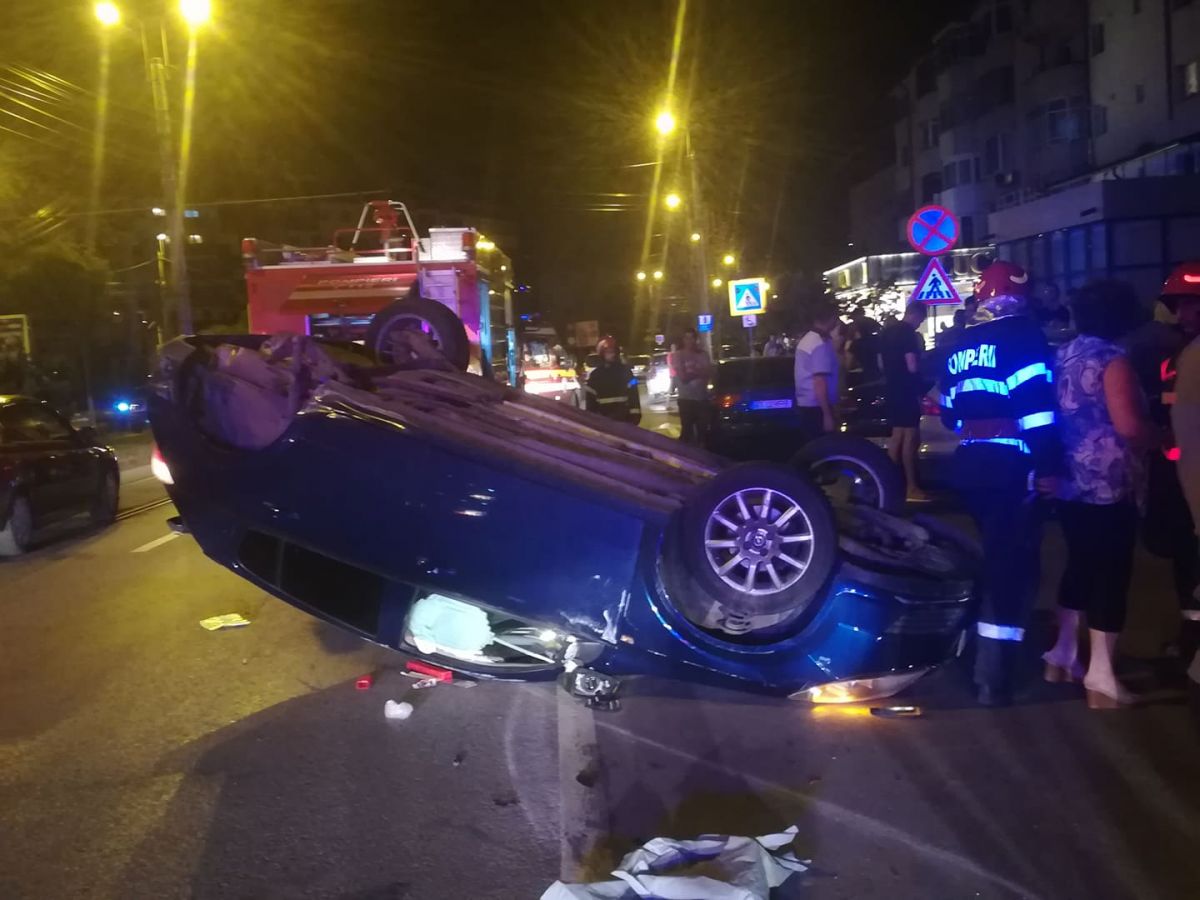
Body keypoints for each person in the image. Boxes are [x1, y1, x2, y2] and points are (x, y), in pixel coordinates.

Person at [938, 260, 1061, 706]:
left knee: (992, 558)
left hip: (971, 465)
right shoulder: (1023, 338)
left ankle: (974, 654)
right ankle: (993, 676)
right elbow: (1038, 412)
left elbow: (950, 415)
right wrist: (1049, 466)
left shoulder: (960, 343)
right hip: (1012, 465)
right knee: (1010, 569)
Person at [1042, 280, 1157, 709]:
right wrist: (1160, 437)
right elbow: (1128, 425)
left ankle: (1062, 653)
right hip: (1109, 482)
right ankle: (1103, 676)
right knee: (1111, 574)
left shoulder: (1063, 355)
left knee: (1080, 565)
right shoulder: (1112, 360)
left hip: (1069, 480)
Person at [1127, 263, 1200, 646]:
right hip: (1176, 469)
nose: (1185, 314)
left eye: (1192, 305)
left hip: (1187, 468)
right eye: (1179, 305)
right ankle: (1190, 630)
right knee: (1182, 551)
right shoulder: (1170, 353)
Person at [879, 301, 930, 501]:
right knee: (910, 439)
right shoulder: (908, 334)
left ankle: (889, 484)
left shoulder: (887, 333)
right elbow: (912, 366)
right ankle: (911, 487)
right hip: (907, 391)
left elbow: (880, 363)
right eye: (921, 320)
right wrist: (920, 389)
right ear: (916, 315)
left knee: (896, 438)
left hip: (892, 389)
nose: (919, 324)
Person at [794, 300, 842, 443]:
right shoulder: (820, 344)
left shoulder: (808, 339)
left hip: (807, 405)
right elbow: (819, 381)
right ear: (831, 318)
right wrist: (827, 415)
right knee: (825, 447)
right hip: (817, 407)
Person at [584, 335, 640, 424]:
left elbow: (634, 396)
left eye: (613, 352)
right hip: (604, 423)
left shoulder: (626, 372)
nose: (612, 354)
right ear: (602, 354)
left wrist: (634, 418)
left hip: (625, 422)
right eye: (609, 352)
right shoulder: (595, 376)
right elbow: (591, 405)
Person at [674, 328, 712, 445]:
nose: (689, 341)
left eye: (692, 338)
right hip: (686, 399)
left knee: (703, 432)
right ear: (683, 340)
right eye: (687, 338)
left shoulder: (703, 355)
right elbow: (683, 377)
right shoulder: (678, 355)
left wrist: (692, 373)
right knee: (687, 432)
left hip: (702, 398)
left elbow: (708, 373)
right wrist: (699, 372)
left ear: (696, 339)